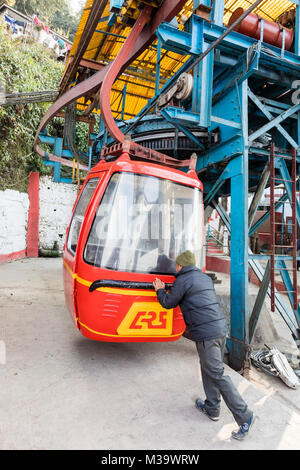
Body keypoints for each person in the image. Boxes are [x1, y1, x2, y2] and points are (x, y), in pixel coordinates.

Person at [153, 250, 255, 441]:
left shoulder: (182, 281)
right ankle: (212, 408)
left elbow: (167, 303)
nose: (175, 268)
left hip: (206, 334)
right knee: (208, 368)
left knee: (216, 373)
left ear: (181, 266)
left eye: (176, 265)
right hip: (219, 329)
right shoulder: (204, 278)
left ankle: (244, 416)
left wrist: (159, 289)